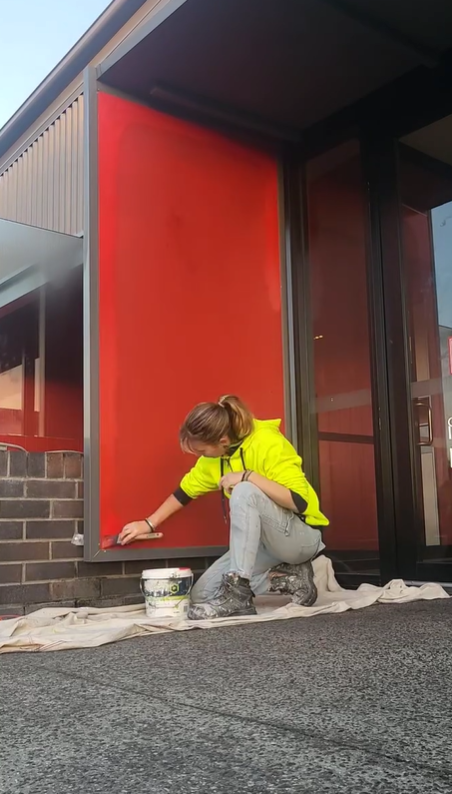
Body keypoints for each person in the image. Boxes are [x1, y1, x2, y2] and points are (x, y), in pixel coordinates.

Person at [119, 395, 329, 620]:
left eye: (202, 451)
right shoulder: (214, 458)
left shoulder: (268, 442)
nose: (200, 457)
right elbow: (184, 492)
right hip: (264, 545)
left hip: (299, 537)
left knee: (244, 491)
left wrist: (248, 476)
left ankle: (238, 597)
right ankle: (291, 580)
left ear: (223, 441)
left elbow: (299, 501)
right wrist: (148, 523)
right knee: (203, 595)